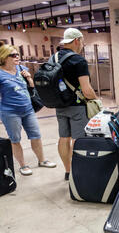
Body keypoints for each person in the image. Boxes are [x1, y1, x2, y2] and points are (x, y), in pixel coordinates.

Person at [0, 42, 56, 175]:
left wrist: (29, 79)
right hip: (10, 112)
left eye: (17, 54)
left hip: (28, 109)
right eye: (13, 55)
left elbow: (31, 88)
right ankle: (23, 165)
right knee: (15, 139)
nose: (17, 57)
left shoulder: (21, 69)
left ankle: (42, 160)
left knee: (36, 135)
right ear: (4, 57)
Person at [55, 28, 98, 181]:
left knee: (64, 137)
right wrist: (97, 100)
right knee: (79, 140)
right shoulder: (78, 60)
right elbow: (86, 90)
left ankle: (68, 171)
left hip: (59, 104)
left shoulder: (53, 58)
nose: (82, 45)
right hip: (77, 106)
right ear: (76, 40)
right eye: (82, 42)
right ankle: (78, 171)